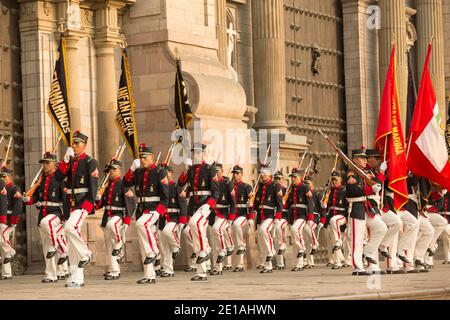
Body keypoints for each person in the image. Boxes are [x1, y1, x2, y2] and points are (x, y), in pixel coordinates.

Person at [123, 143, 169, 284]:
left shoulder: (159, 172)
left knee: (141, 225)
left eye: (145, 157)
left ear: (152, 157)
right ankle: (149, 275)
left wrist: (159, 212)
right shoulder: (138, 172)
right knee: (143, 242)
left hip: (154, 208)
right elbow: (125, 182)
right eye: (141, 157)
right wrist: (131, 168)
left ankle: (154, 251)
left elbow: (165, 196)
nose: (143, 160)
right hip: (142, 208)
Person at [22, 152, 67, 283]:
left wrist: (66, 217)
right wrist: (28, 199)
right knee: (47, 247)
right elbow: (36, 197)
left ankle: (63, 250)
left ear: (55, 164)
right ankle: (51, 274)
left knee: (48, 227)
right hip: (43, 214)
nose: (45, 165)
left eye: (47, 163)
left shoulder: (59, 179)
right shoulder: (41, 180)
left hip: (56, 214)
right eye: (43, 163)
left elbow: (65, 199)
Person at [178, 143, 219, 281]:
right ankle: (201, 272)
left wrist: (210, 204)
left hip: (205, 204)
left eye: (198, 153)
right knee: (195, 233)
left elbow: (216, 191)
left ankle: (206, 250)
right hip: (195, 205)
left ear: (203, 154)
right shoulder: (191, 170)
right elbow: (181, 182)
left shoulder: (209, 169)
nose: (195, 155)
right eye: (194, 153)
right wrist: (185, 169)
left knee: (195, 223)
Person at [96, 159, 135, 280]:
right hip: (107, 215)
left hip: (119, 215)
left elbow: (131, 203)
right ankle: (114, 270)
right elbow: (100, 205)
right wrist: (97, 198)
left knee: (112, 226)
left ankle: (120, 245)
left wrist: (127, 220)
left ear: (119, 170)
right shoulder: (106, 185)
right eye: (109, 170)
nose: (111, 172)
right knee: (109, 245)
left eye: (114, 169)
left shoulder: (124, 184)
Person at [252, 164, 283, 274]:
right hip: (261, 215)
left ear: (269, 175)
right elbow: (257, 202)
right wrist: (250, 204)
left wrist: (278, 217)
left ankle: (271, 251)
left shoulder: (276, 185)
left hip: (270, 215)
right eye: (261, 174)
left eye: (264, 174)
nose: (262, 176)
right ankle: (268, 266)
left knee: (264, 230)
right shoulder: (260, 185)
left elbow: (279, 203)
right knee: (261, 241)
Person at [159, 165, 187, 277]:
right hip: (162, 218)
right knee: (164, 246)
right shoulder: (160, 186)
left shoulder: (176, 186)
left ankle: (176, 247)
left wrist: (182, 220)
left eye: (168, 172)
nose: (166, 174)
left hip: (173, 217)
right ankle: (168, 269)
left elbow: (183, 204)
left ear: (171, 173)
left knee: (168, 231)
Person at [285, 168, 313, 272]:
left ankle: (302, 248)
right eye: (292, 177)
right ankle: (299, 264)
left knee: (295, 229)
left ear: (300, 178)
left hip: (302, 215)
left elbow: (310, 202)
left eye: (295, 177)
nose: (293, 179)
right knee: (294, 236)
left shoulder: (305, 187)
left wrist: (310, 217)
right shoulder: (291, 188)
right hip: (294, 215)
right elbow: (289, 204)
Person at [209, 163, 235, 276]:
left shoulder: (227, 183)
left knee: (217, 229)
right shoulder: (211, 182)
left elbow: (233, 201)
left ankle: (225, 249)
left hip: (223, 212)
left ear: (222, 171)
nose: (216, 173)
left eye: (218, 170)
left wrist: (231, 218)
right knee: (214, 241)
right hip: (212, 213)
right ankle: (217, 267)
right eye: (215, 171)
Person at [0, 168, 22, 280]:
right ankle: (7, 273)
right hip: (1, 217)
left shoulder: (14, 188)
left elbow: (18, 205)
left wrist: (14, 221)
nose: (3, 179)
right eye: (2, 177)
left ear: (10, 177)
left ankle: (12, 251)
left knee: (2, 239)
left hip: (8, 218)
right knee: (3, 249)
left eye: (5, 177)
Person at [230, 165, 253, 272]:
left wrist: (251, 218)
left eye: (237, 173)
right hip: (231, 215)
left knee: (237, 227)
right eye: (234, 173)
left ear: (242, 174)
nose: (235, 175)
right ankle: (237, 264)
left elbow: (250, 203)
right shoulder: (229, 186)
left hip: (242, 215)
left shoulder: (246, 186)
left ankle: (241, 252)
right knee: (233, 239)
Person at [273, 171, 288, 270]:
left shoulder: (287, 191)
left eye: (279, 179)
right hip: (274, 217)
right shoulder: (272, 190)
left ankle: (283, 245)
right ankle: (280, 263)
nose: (277, 181)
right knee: (275, 240)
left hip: (284, 217)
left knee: (280, 236)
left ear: (283, 180)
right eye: (276, 179)